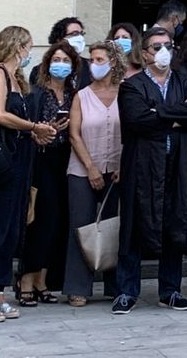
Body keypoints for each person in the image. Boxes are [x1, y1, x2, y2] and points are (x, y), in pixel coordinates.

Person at [0, 26, 56, 323]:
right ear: (18, 47)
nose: (30, 52)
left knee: (11, 231)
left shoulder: (19, 80)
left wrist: (37, 133)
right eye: (28, 46)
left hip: (19, 161)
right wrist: (33, 127)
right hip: (0, 165)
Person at [114, 27, 187, 314]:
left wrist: (159, 113)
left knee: (174, 222)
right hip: (142, 164)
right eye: (156, 46)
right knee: (133, 224)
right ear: (144, 53)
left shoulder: (184, 79)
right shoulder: (131, 85)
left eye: (167, 45)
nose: (163, 51)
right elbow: (136, 119)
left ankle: (171, 290)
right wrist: (175, 115)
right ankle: (127, 291)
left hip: (176, 162)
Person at [18, 41, 78, 305]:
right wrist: (46, 129)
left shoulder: (75, 93)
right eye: (57, 59)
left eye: (66, 61)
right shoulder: (37, 93)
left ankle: (43, 280)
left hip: (67, 161)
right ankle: (26, 282)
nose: (61, 65)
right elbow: (29, 129)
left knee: (57, 223)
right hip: (42, 162)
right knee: (39, 222)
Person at [65, 41, 123, 307]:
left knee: (113, 227)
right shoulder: (82, 95)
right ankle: (78, 286)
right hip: (82, 169)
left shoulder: (126, 92)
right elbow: (74, 134)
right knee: (82, 226)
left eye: (99, 59)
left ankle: (115, 284)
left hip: (116, 171)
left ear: (113, 62)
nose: (94, 64)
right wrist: (90, 167)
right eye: (92, 60)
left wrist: (123, 165)